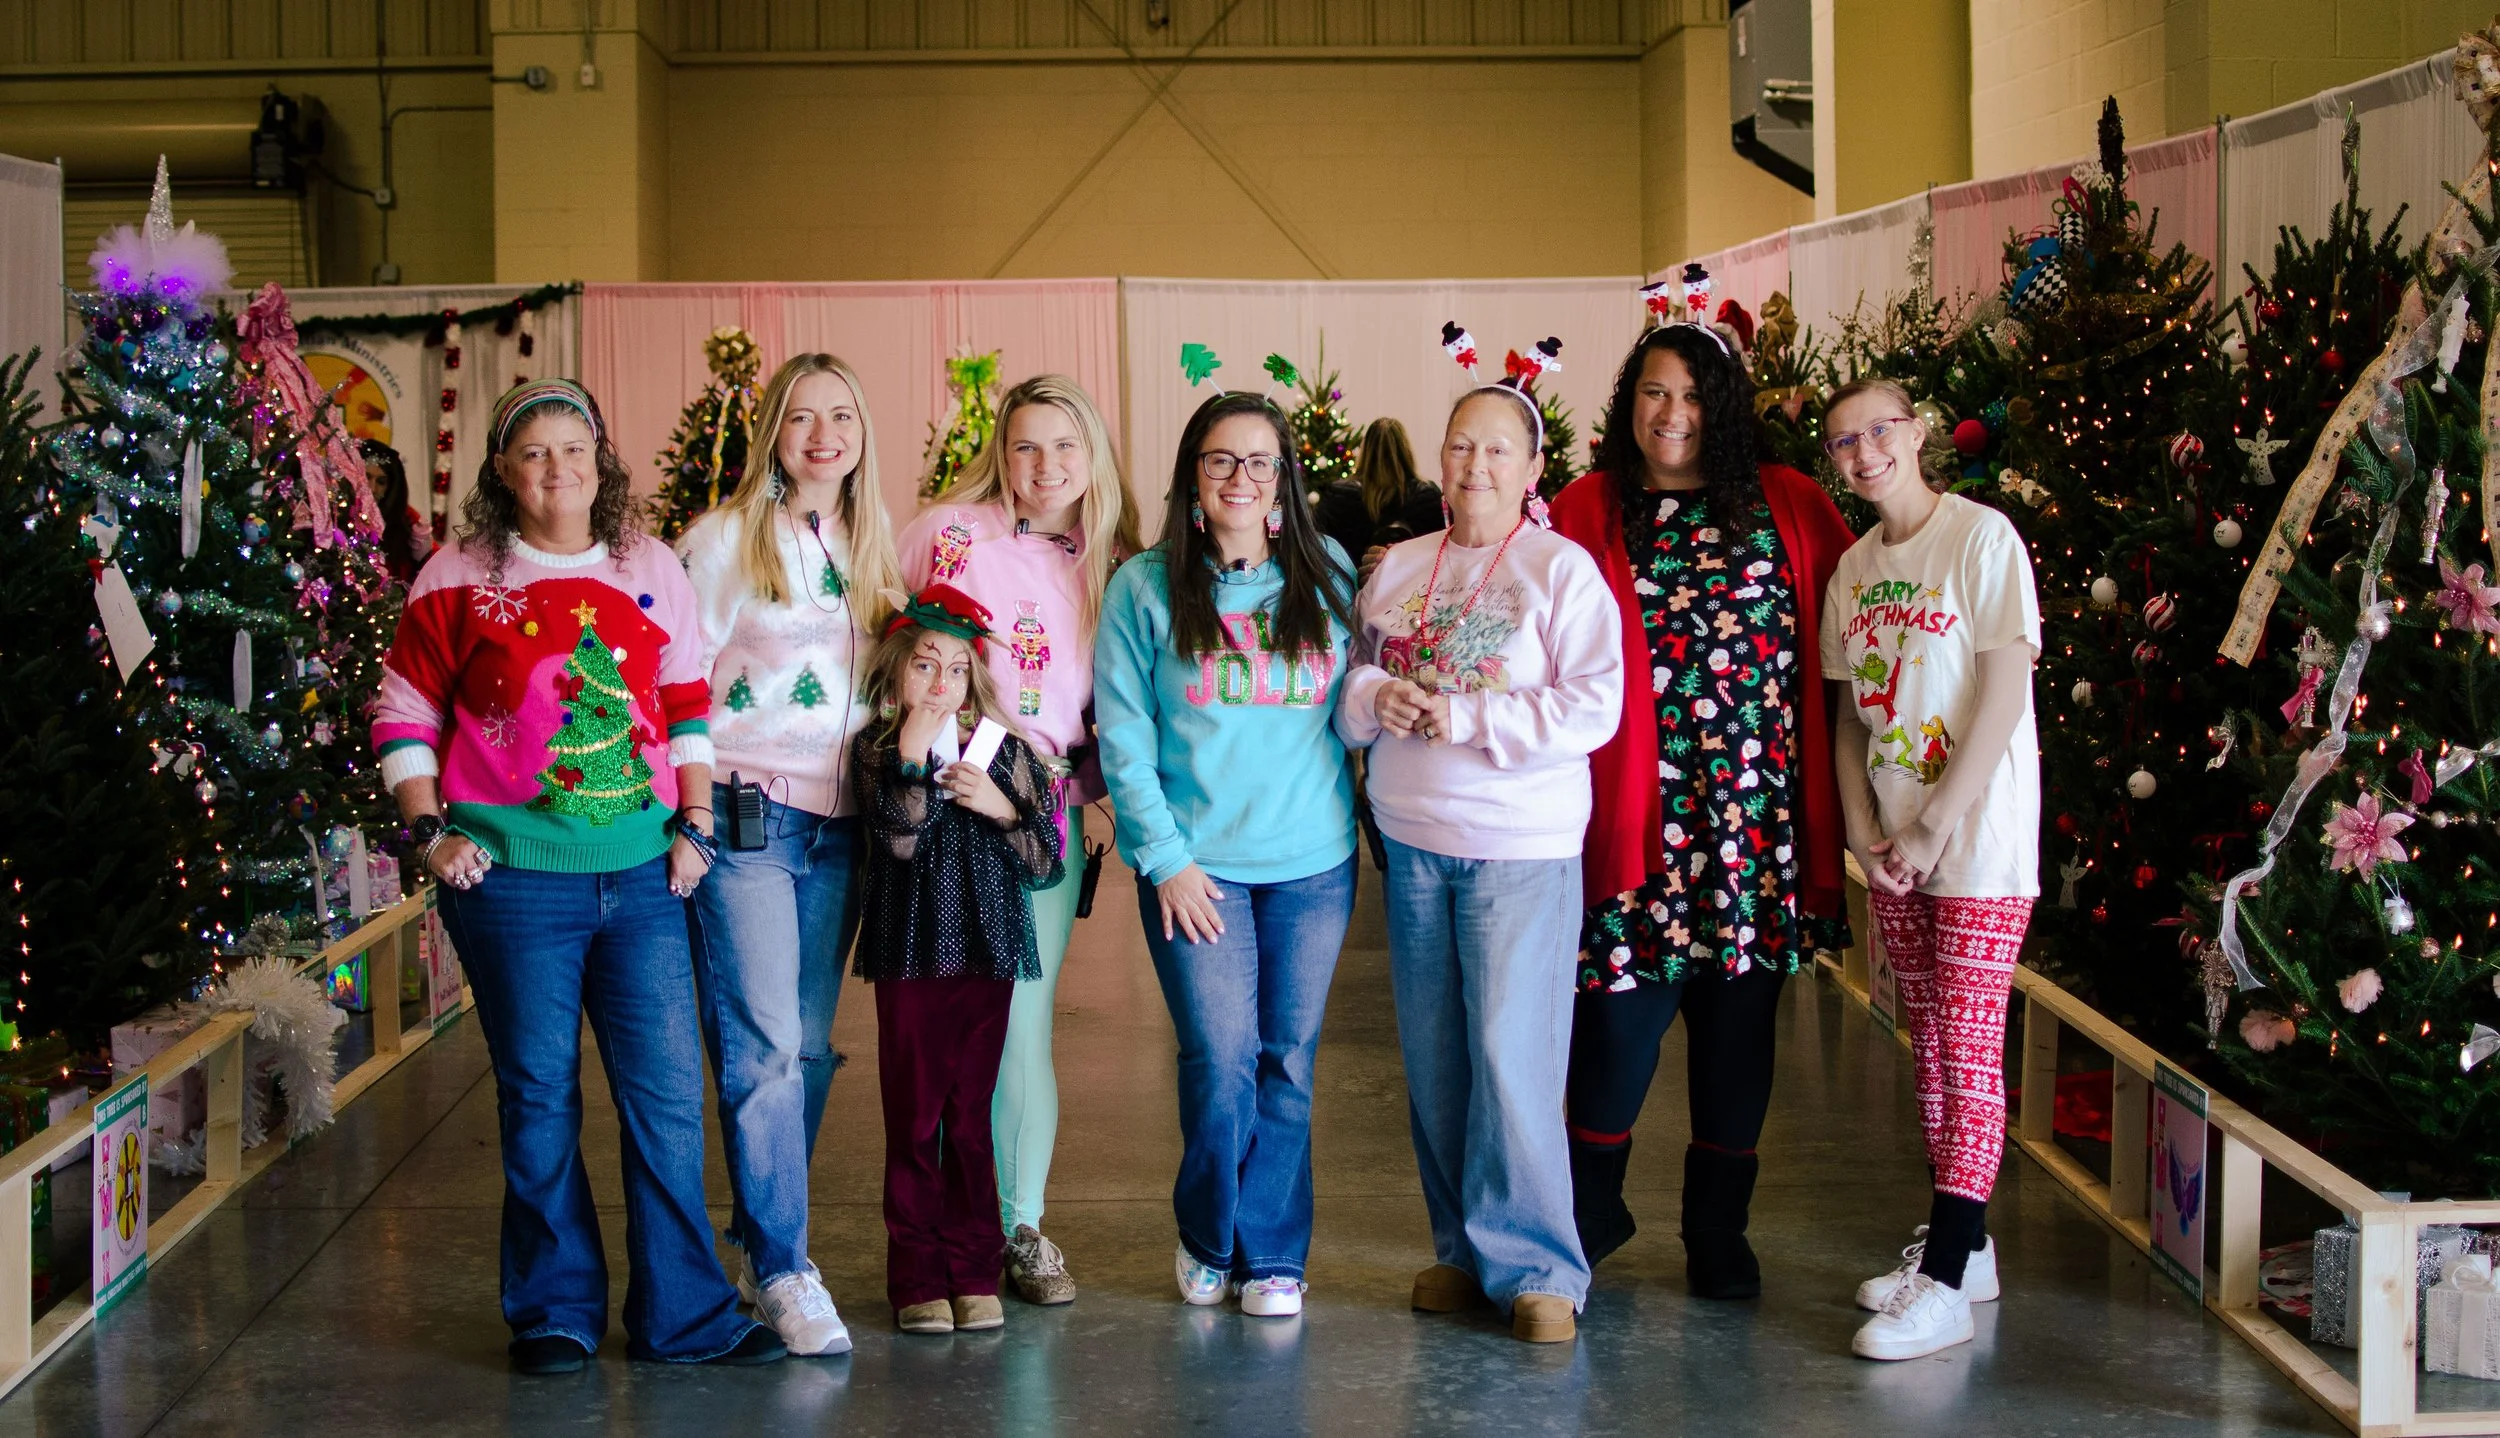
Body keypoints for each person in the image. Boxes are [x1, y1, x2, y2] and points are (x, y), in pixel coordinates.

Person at [373, 379, 782, 1373]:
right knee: (539, 1095)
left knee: (665, 1098)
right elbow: (402, 714)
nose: (556, 468)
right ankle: (553, 1311)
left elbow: (687, 702)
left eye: (573, 448)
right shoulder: (457, 573)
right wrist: (430, 832)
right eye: (534, 453)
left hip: (644, 876)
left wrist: (693, 820)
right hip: (511, 887)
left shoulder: (649, 566)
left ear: (600, 458)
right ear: (504, 472)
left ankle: (683, 1315)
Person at [1548, 321, 1856, 1299]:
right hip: (1632, 831)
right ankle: (1587, 1215)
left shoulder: (1792, 502)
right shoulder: (1587, 505)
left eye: (1689, 394)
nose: (1670, 413)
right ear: (1626, 400)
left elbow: (1863, 633)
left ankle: (1717, 1231)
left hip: (1752, 836)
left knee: (1737, 1043)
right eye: (1652, 390)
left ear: (1720, 405)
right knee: (1609, 1041)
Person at [1337, 377, 1623, 1344]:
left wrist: (1468, 715)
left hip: (1518, 845)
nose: (1477, 465)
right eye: (1462, 445)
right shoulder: (1401, 567)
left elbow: (1595, 707)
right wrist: (1380, 697)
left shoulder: (1559, 570)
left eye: (1500, 448)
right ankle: (1462, 1250)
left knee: (1513, 1055)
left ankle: (1542, 1264)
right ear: (1440, 456)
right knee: (1438, 1059)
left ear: (1535, 467)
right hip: (1414, 840)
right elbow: (1348, 681)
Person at [1094, 390, 1360, 1320]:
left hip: (1313, 863)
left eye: (1258, 462)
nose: (1240, 479)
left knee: (1288, 1060)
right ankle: (1209, 1234)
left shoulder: (1325, 572)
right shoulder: (1144, 588)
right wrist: (1164, 859)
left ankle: (1273, 1253)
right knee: (1219, 1059)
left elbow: (1354, 704)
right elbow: (1123, 740)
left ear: (1283, 480)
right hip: (1197, 866)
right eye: (1220, 461)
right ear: (1192, 480)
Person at [675, 352, 903, 1356]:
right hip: (744, 820)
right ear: (772, 431)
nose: (823, 435)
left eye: (841, 416)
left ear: (861, 432)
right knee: (764, 1043)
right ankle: (783, 1264)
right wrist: (681, 812)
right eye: (802, 417)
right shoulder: (722, 541)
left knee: (805, 1046)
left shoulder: (874, 542)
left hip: (843, 824)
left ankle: (757, 1231)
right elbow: (675, 679)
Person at [899, 374, 1141, 1306]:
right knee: (945, 1026)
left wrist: (1091, 798)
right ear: (1001, 453)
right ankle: (940, 1232)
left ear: (1094, 458)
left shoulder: (1114, 560)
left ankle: (1020, 1225)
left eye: (1065, 448)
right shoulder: (946, 535)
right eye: (1027, 446)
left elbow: (1115, 707)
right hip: (944, 808)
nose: (1045, 468)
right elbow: (895, 655)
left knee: (1023, 1025)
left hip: (1040, 818)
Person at [1817, 378, 2040, 1361]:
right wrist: (1868, 828)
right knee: (1930, 1043)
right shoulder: (1853, 569)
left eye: (1878, 430)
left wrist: (1936, 824)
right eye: (1842, 442)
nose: (1862, 451)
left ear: (1914, 432)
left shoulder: (1980, 539)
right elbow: (1842, 717)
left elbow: (2003, 688)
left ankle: (1946, 1275)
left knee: (1969, 1048)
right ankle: (1967, 1245)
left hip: (1977, 845)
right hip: (1896, 852)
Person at [849, 583, 1066, 1336]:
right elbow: (901, 842)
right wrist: (912, 762)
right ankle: (915, 1274)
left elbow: (1045, 862)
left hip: (987, 948)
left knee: (969, 1116)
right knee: (914, 1116)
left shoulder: (1006, 753)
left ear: (974, 680)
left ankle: (974, 1268)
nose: (939, 685)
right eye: (922, 667)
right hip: (910, 953)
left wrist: (1004, 810)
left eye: (954, 671)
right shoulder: (877, 750)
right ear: (895, 672)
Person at [1314, 417, 1442, 576]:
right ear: (1405, 450)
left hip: (1352, 589)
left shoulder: (1338, 495)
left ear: (1365, 450)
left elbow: (1321, 549)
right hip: (1413, 591)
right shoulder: (1428, 495)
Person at [362, 437, 429, 586]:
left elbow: (433, 566)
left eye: (381, 482)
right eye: (367, 477)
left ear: (391, 487)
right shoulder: (337, 516)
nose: (372, 488)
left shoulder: (409, 520)